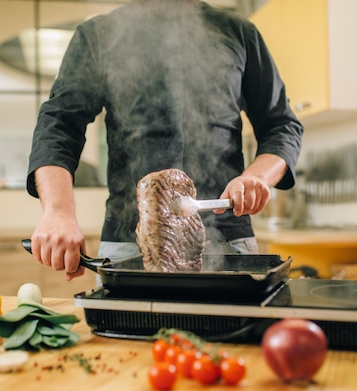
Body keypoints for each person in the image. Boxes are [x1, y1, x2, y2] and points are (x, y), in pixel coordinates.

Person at [26, 0, 303, 280]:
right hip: (128, 246)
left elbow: (282, 125)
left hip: (228, 242)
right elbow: (60, 125)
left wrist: (256, 177)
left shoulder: (241, 33)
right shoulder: (98, 35)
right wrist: (58, 212)